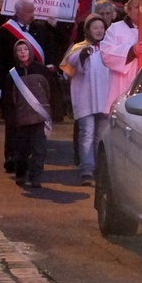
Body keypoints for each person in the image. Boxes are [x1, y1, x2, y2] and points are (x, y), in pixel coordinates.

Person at [0, 0, 67, 172]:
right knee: (13, 123)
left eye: (33, 10)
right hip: (14, 84)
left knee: (34, 124)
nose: (33, 14)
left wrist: (55, 28)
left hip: (35, 87)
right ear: (18, 12)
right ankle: (11, 156)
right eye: (29, 11)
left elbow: (58, 45)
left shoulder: (41, 29)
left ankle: (29, 158)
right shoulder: (4, 32)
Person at [60, 13, 111, 186]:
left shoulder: (108, 47)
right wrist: (83, 55)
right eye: (95, 28)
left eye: (101, 28)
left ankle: (100, 168)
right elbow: (70, 64)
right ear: (88, 30)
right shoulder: (80, 47)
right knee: (87, 134)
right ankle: (87, 169)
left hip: (105, 98)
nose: (99, 31)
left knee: (101, 136)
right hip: (85, 98)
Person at [1, 39, 54, 188]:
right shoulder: (12, 75)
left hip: (39, 118)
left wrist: (51, 112)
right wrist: (10, 118)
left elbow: (50, 92)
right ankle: (21, 173)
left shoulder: (41, 70)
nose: (23, 52)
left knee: (39, 150)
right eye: (19, 50)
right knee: (22, 151)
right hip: (21, 119)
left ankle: (35, 176)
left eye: (25, 49)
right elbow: (8, 99)